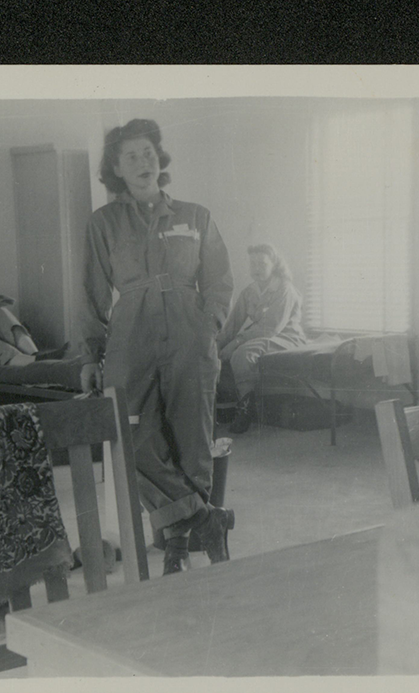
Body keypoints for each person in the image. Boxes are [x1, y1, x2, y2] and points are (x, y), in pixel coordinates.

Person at [78, 118, 236, 575]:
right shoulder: (103, 223)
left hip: (190, 334)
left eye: (148, 152)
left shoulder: (195, 215)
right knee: (128, 438)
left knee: (192, 442)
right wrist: (90, 354)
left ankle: (176, 550)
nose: (143, 162)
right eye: (131, 156)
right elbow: (90, 293)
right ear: (116, 169)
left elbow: (220, 281)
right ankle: (207, 520)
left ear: (159, 158)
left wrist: (208, 328)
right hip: (130, 334)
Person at [216, 243, 308, 434]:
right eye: (253, 264)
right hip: (262, 337)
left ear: (273, 265)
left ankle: (245, 409)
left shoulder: (285, 289)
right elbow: (232, 324)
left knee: (242, 353)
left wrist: (236, 343)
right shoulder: (249, 291)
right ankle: (224, 408)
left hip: (287, 337)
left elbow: (270, 328)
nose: (256, 268)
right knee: (217, 353)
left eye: (262, 264)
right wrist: (215, 345)